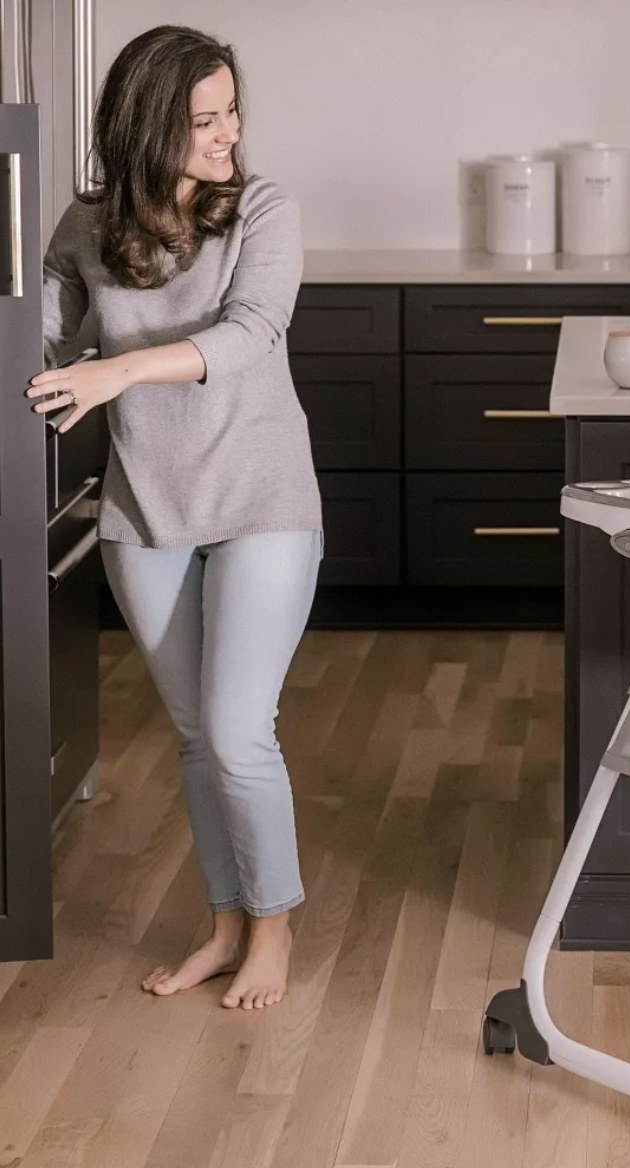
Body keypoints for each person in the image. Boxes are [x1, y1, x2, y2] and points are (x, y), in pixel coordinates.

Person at [31, 25, 322, 1010]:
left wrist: (114, 369)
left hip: (261, 497)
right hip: (145, 510)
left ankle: (273, 927)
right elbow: (34, 327)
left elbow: (249, 334)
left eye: (232, 111)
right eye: (204, 119)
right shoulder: (86, 227)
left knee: (241, 733)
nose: (228, 135)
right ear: (147, 126)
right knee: (199, 736)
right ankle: (226, 924)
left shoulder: (263, 211)